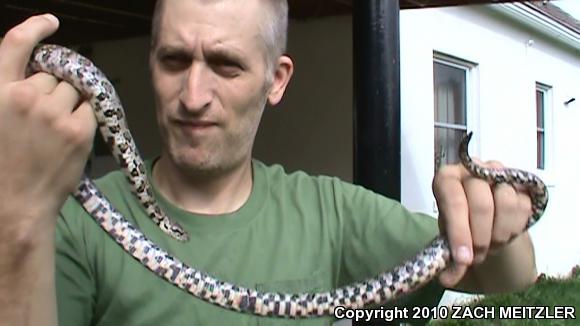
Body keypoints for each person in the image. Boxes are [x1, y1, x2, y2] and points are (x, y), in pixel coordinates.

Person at [0, 0, 538, 325]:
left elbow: (508, 283)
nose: (192, 95)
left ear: (275, 80)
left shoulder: (330, 213)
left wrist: (499, 221)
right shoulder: (72, 219)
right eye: (174, 60)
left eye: (226, 66)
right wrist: (17, 213)